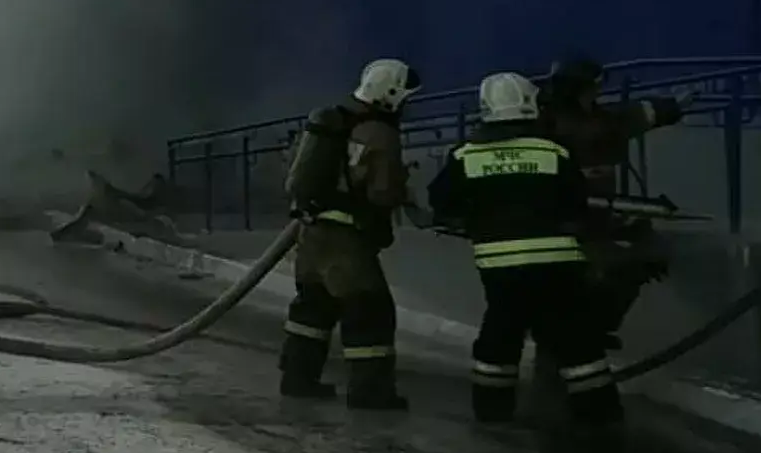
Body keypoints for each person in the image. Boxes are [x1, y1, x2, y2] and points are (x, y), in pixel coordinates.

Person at [427, 72, 622, 431]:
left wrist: (478, 216)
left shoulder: (466, 155)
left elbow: (442, 203)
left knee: (500, 334)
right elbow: (577, 205)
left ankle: (492, 411)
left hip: (500, 266)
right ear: (531, 104)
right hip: (557, 263)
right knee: (574, 339)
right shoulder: (553, 151)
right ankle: (599, 415)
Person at [278, 58, 422, 409]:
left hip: (311, 233)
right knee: (370, 311)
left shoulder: (332, 122)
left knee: (313, 308)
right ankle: (370, 392)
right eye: (404, 98)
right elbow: (381, 193)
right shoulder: (381, 133)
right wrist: (402, 186)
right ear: (390, 95)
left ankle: (297, 378)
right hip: (346, 241)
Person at [536, 54, 686, 350]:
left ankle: (597, 325)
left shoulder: (594, 117)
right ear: (578, 88)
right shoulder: (551, 125)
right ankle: (584, 331)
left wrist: (671, 107)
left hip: (600, 213)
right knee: (606, 266)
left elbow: (630, 118)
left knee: (649, 254)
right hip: (568, 221)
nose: (598, 91)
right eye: (594, 86)